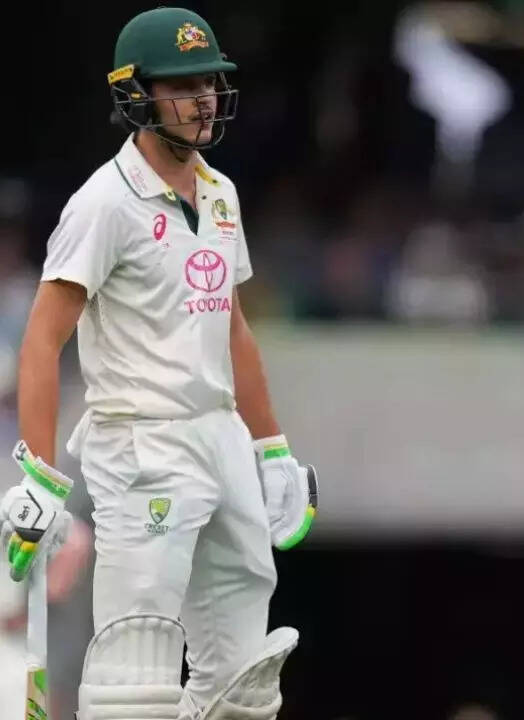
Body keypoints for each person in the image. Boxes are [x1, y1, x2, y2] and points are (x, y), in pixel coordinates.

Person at [0, 8, 318, 719]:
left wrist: (271, 448)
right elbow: (42, 340)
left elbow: (233, 329)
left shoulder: (221, 193)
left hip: (221, 435)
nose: (203, 99)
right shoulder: (103, 204)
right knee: (135, 671)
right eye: (182, 86)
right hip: (141, 443)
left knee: (242, 682)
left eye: (209, 83)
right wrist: (40, 477)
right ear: (136, 95)